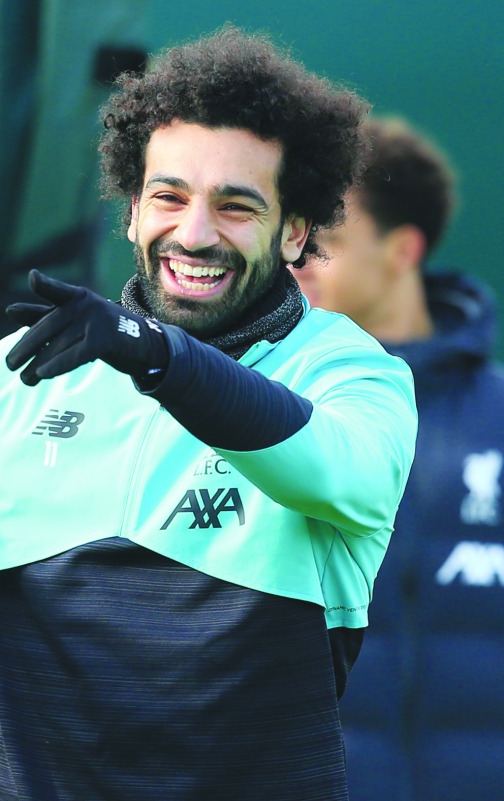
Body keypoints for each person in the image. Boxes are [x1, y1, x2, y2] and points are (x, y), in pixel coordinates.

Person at [0, 26, 419, 800]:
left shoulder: (349, 370)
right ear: (131, 210)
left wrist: (154, 353)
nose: (194, 234)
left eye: (236, 206)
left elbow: (338, 465)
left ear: (295, 231)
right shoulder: (41, 365)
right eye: (169, 196)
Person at [296, 116, 504, 801]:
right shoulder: (263, 411)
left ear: (402, 249)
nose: (299, 262)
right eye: (295, 240)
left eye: (325, 242)